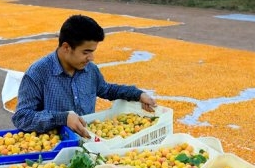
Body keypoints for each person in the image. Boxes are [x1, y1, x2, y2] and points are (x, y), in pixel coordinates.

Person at [11, 14, 156, 137]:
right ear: (66, 47)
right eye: (86, 52)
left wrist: (138, 94)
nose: (91, 57)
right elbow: (22, 117)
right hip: (55, 147)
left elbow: (107, 90)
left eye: (93, 51)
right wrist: (62, 118)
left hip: (88, 141)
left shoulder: (90, 70)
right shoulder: (38, 73)